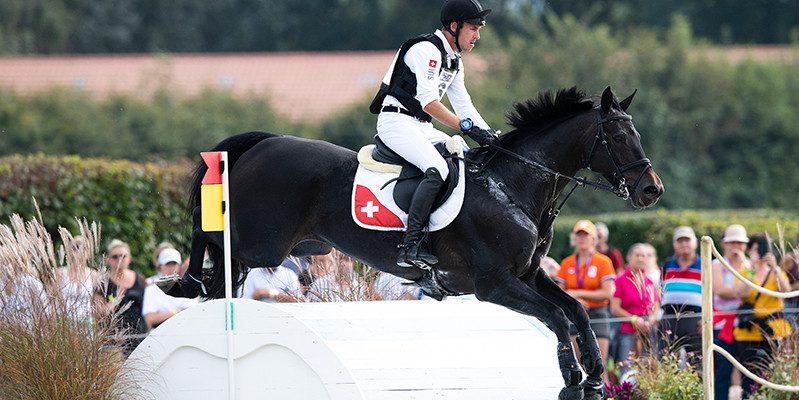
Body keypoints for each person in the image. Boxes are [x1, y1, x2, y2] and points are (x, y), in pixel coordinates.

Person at [370, 0, 497, 269]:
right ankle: (411, 244)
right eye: (473, 29)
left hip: (420, 126)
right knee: (437, 168)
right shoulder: (427, 50)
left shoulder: (454, 61)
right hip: (396, 122)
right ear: (455, 26)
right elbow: (429, 103)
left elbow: (464, 106)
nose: (477, 36)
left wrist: (491, 138)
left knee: (463, 154)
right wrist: (466, 127)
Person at [555, 220, 616, 382]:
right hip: (573, 316)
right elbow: (558, 293)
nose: (582, 238)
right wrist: (574, 301)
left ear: (594, 238)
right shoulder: (567, 262)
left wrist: (575, 294)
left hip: (597, 314)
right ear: (574, 238)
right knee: (579, 366)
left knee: (600, 366)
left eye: (586, 235)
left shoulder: (603, 261)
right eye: (578, 235)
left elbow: (608, 293)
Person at [734, 233, 792, 399]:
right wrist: (752, 270)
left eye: (762, 249)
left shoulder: (776, 272)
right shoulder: (745, 271)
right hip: (748, 333)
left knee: (774, 373)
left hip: (773, 331)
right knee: (749, 376)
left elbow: (785, 292)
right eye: (755, 249)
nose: (759, 253)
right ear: (749, 251)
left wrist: (774, 268)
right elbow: (740, 293)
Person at [711, 224, 750, 400]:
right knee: (723, 371)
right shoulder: (716, 264)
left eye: (740, 242)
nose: (736, 246)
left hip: (745, 324)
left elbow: (750, 293)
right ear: (724, 244)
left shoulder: (749, 264)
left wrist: (737, 288)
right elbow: (720, 290)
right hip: (722, 325)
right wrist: (741, 289)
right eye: (732, 242)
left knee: (748, 371)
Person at [610, 243, 660, 378]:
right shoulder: (620, 280)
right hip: (627, 331)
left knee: (649, 367)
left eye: (643, 256)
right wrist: (633, 319)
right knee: (626, 367)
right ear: (629, 257)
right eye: (637, 255)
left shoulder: (649, 281)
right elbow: (614, 308)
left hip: (647, 331)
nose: (641, 259)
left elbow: (656, 306)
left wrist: (650, 320)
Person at [658, 226, 702, 360]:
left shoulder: (704, 264)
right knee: (666, 359)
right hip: (669, 318)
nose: (684, 244)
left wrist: (705, 318)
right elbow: (660, 291)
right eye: (680, 241)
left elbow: (711, 294)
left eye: (687, 240)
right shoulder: (667, 264)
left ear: (695, 243)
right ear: (674, 245)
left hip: (695, 318)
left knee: (696, 360)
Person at [100, 239, 148, 354]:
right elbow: (98, 313)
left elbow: (149, 307)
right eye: (115, 257)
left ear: (130, 258)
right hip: (112, 340)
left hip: (138, 337)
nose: (119, 260)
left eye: (123, 256)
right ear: (108, 260)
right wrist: (115, 301)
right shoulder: (103, 282)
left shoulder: (140, 280)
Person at [142, 248, 198, 328]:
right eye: (168, 264)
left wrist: (164, 316)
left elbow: (193, 314)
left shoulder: (188, 287)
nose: (171, 267)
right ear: (160, 266)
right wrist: (176, 312)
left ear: (179, 266)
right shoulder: (151, 289)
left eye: (174, 264)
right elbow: (150, 319)